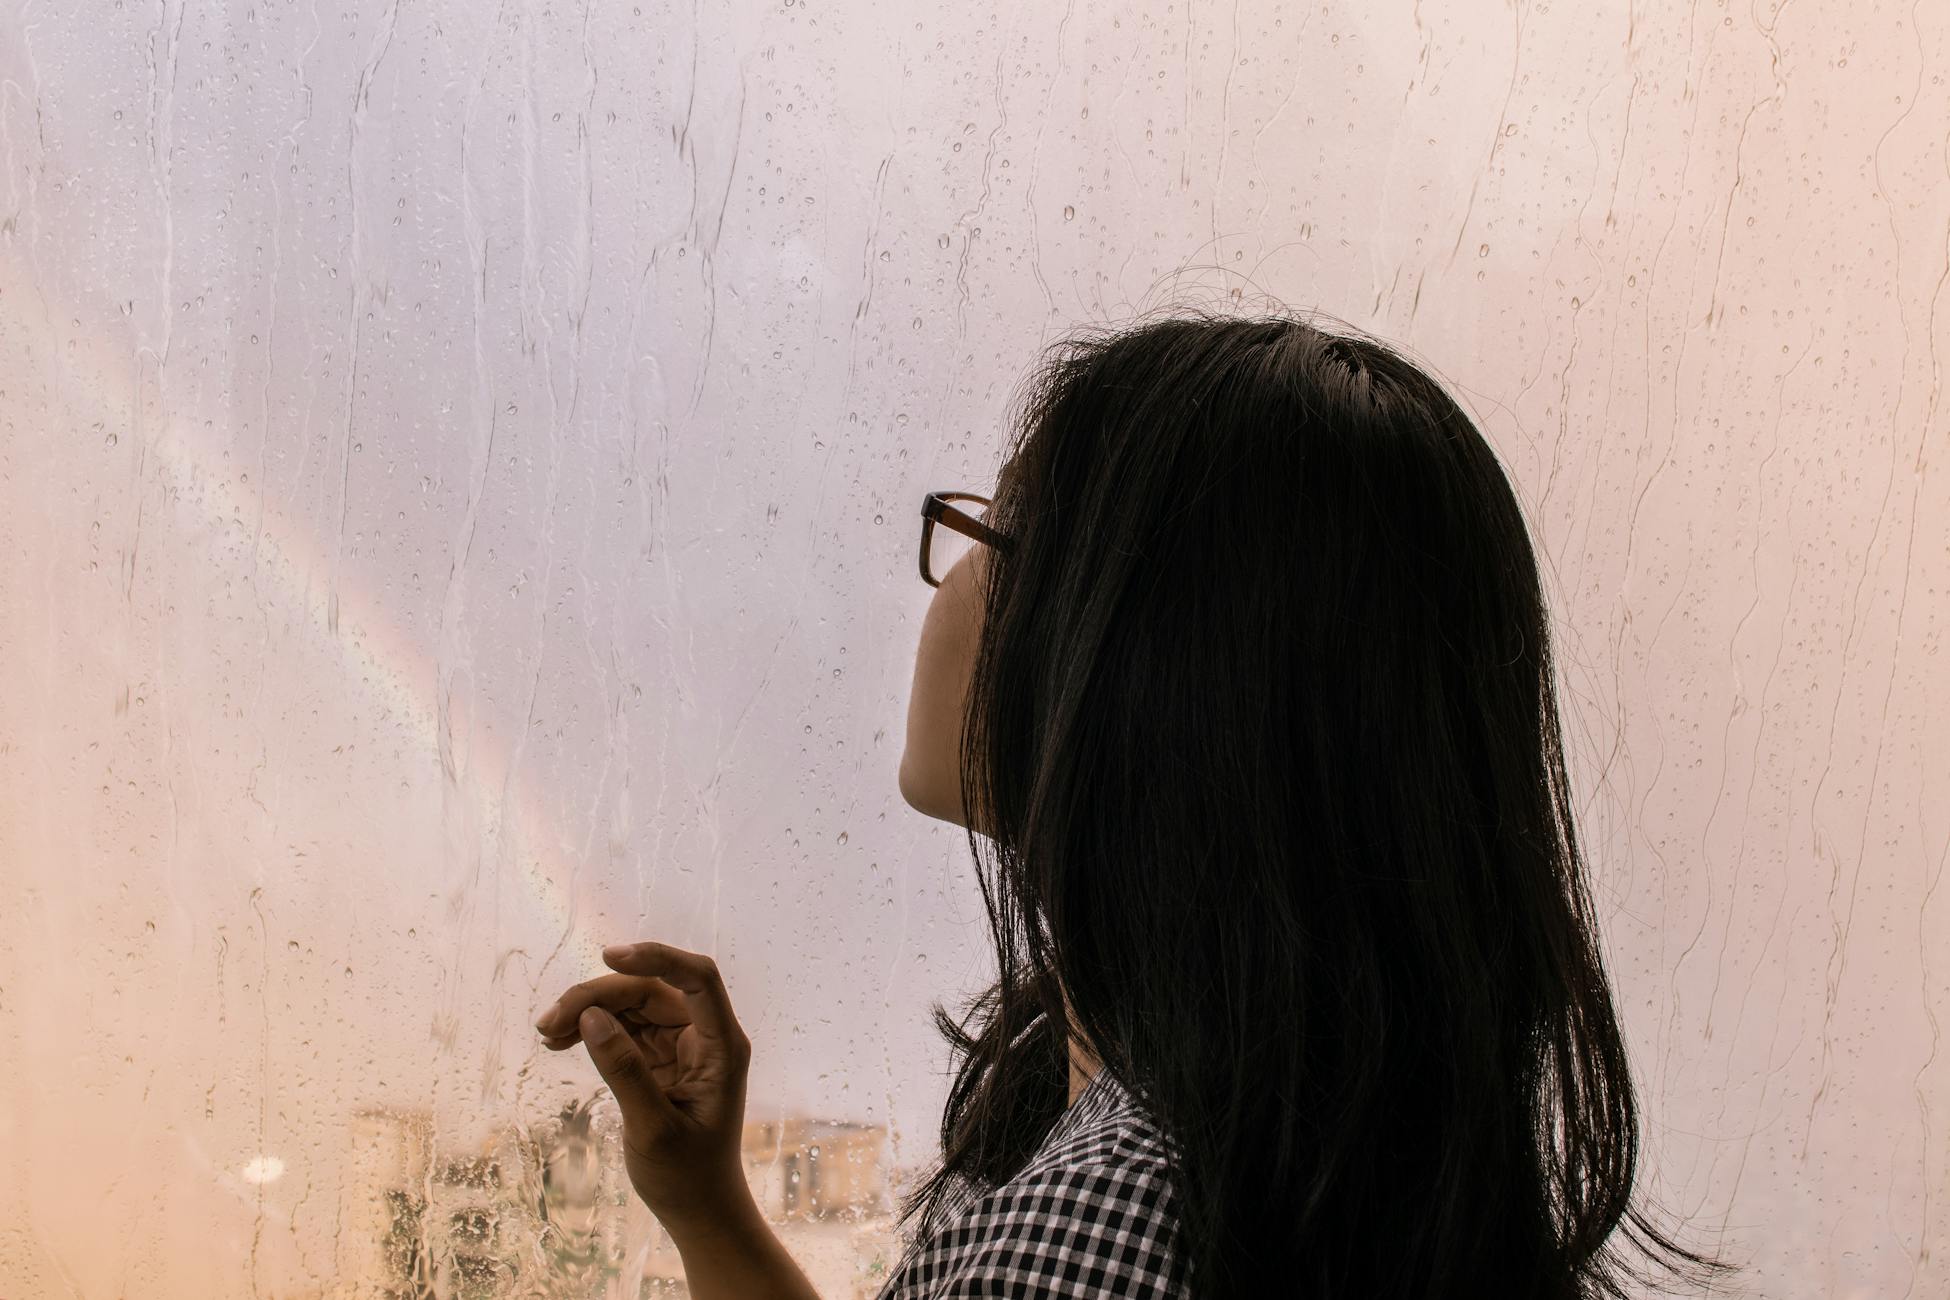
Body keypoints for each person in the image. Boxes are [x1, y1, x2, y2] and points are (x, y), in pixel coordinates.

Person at [531, 309, 1744, 1300]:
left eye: (1000, 535)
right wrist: (707, 1205)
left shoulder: (1106, 1223)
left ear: (1153, 669)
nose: (953, 574)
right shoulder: (1307, 1153)